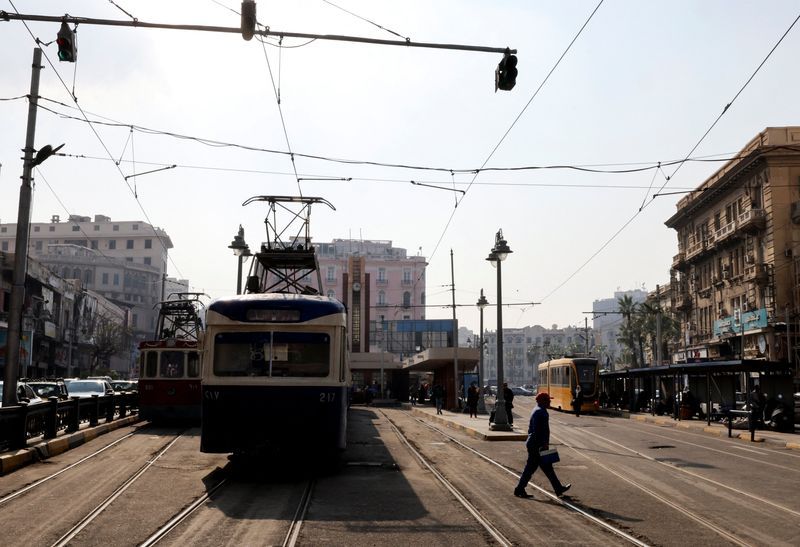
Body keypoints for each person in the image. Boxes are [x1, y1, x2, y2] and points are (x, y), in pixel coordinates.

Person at [514, 392, 571, 499]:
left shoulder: (538, 410)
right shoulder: (541, 412)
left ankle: (558, 488)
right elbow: (538, 431)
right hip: (537, 445)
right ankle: (519, 489)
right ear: (542, 401)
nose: (550, 402)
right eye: (548, 400)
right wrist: (543, 445)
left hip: (535, 444)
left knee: (546, 468)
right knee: (532, 468)